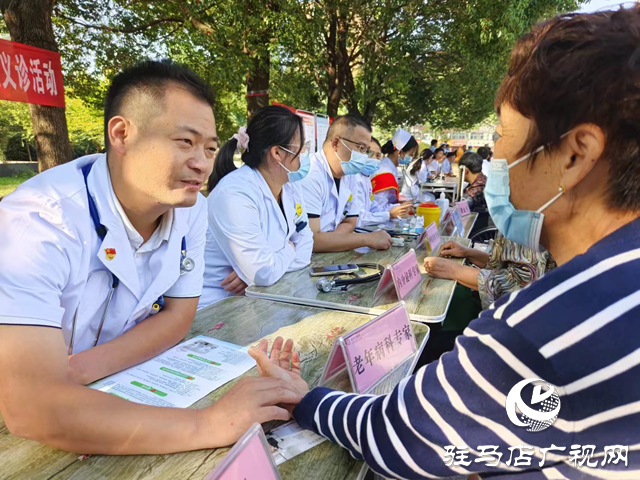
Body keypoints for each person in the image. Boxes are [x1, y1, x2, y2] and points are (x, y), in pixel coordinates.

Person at [249, 7, 640, 477]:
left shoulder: (547, 325)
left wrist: (304, 396)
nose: (494, 154)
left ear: (576, 155)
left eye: (504, 135)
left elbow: (398, 435)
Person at [0, 60, 303, 454]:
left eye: (210, 148)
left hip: (103, 386)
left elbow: (177, 316)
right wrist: (211, 422)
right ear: (123, 134)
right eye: (184, 142)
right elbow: (29, 408)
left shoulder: (191, 211)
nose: (202, 163)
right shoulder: (37, 224)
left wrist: (76, 371)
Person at [198, 106, 314, 307]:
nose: (305, 155)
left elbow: (307, 244)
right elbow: (264, 272)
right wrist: (290, 247)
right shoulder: (235, 194)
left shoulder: (291, 187)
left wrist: (261, 268)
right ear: (277, 153)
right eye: (301, 148)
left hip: (262, 298)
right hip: (217, 308)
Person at [299, 115, 392, 252]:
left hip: (330, 254)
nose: (364, 156)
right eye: (360, 148)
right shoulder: (310, 174)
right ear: (336, 143)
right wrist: (367, 239)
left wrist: (330, 241)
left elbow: (350, 222)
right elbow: (311, 240)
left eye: (366, 151)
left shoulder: (350, 175)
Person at [424, 235, 556, 309]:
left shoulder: (533, 225)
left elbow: (519, 285)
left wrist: (455, 270)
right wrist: (467, 253)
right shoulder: (517, 217)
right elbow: (503, 263)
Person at [342, 137, 412, 227]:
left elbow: (373, 207)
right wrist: (389, 214)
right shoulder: (352, 177)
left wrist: (398, 209)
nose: (374, 159)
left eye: (378, 156)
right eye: (369, 153)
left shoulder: (365, 178)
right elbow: (356, 217)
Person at [372, 128, 419, 208]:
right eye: (410, 154)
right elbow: (377, 206)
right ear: (400, 152)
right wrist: (400, 207)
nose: (411, 158)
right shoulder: (385, 172)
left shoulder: (391, 167)